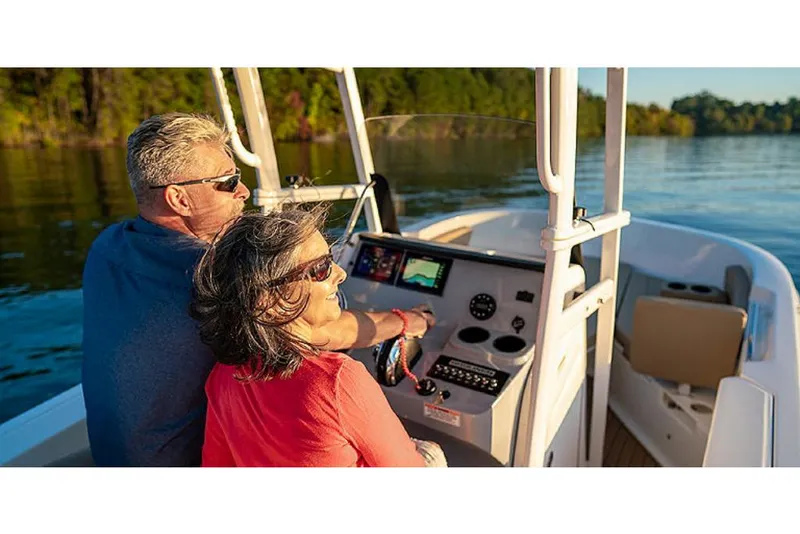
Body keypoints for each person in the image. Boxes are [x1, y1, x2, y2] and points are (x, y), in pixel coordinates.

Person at [81, 112, 435, 467]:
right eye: (227, 181)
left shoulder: (105, 248)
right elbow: (317, 330)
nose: (243, 191)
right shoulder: (212, 277)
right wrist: (407, 321)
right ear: (179, 199)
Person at [191, 207, 446, 467]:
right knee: (431, 453)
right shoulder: (339, 381)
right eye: (321, 268)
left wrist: (404, 321)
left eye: (332, 258)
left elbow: (216, 465)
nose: (341, 273)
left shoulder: (223, 376)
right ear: (269, 300)